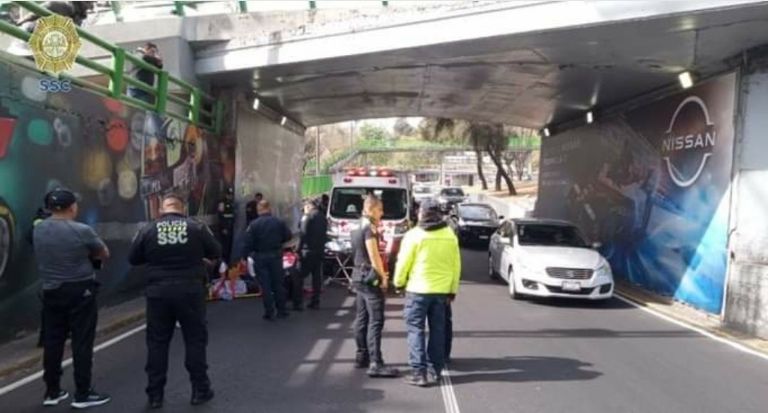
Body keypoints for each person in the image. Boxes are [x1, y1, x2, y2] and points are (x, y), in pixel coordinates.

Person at [128, 193, 221, 408]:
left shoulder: (148, 229)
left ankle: (155, 395)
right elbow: (216, 251)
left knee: (157, 343)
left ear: (162, 209)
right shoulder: (196, 228)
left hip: (158, 292)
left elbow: (133, 258)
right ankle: (200, 390)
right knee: (195, 340)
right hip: (190, 290)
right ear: (182, 208)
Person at [33, 188, 111, 408]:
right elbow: (103, 253)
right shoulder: (81, 230)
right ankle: (83, 393)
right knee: (82, 342)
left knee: (53, 342)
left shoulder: (38, 229)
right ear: (72, 207)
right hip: (79, 290)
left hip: (51, 291)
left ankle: (52, 391)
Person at [394, 199, 461, 387]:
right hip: (441, 292)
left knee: (415, 329)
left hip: (417, 289)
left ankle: (419, 372)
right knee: (437, 330)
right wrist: (452, 290)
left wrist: (398, 283)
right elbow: (456, 266)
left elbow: (403, 262)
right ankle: (435, 370)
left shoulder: (414, 235)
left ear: (421, 213)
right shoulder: (449, 235)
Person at [351, 195, 399, 378]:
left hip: (357, 275)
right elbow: (374, 255)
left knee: (361, 318)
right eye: (380, 209)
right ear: (371, 209)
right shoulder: (369, 229)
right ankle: (376, 363)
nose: (382, 213)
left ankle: (361, 355)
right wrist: (383, 277)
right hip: (369, 277)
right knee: (376, 321)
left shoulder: (356, 225)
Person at [242, 200, 292, 320]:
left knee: (265, 286)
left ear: (258, 210)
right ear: (269, 208)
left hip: (260, 256)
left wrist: (244, 257)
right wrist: (278, 242)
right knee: (278, 283)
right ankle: (282, 310)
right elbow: (288, 236)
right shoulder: (278, 222)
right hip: (276, 255)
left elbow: (247, 242)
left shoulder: (253, 225)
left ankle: (269, 312)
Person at [292, 199, 327, 310]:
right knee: (316, 277)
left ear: (308, 206)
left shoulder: (307, 217)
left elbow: (302, 234)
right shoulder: (322, 217)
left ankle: (298, 302)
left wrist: (297, 250)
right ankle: (315, 301)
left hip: (307, 252)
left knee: (298, 275)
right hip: (319, 251)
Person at [216, 187, 236, 264]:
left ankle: (228, 261)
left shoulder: (232, 202)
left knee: (230, 245)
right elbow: (220, 215)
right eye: (229, 195)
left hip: (230, 226)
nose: (230, 196)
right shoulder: (222, 203)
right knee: (225, 245)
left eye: (231, 195)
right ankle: (224, 262)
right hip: (225, 226)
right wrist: (223, 227)